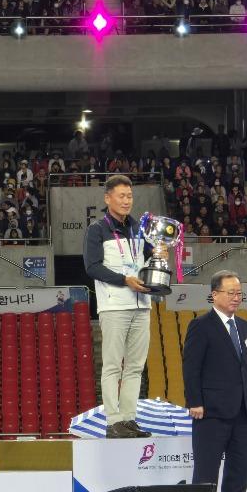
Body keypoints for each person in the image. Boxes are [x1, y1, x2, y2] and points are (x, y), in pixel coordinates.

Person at [83, 175, 167, 439]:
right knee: (112, 366)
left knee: (135, 366)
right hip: (114, 306)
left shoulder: (139, 229)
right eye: (121, 196)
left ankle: (129, 418)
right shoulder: (97, 229)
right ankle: (113, 421)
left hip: (142, 304)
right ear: (108, 198)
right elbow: (92, 267)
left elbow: (147, 262)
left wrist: (159, 256)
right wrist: (124, 280)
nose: (126, 201)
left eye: (129, 196)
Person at [183, 270, 247, 492]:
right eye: (230, 293)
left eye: (239, 293)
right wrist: (194, 401)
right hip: (211, 410)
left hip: (243, 409)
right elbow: (191, 367)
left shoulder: (245, 327)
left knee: (239, 466)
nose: (236, 297)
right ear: (214, 294)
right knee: (207, 467)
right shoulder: (201, 325)